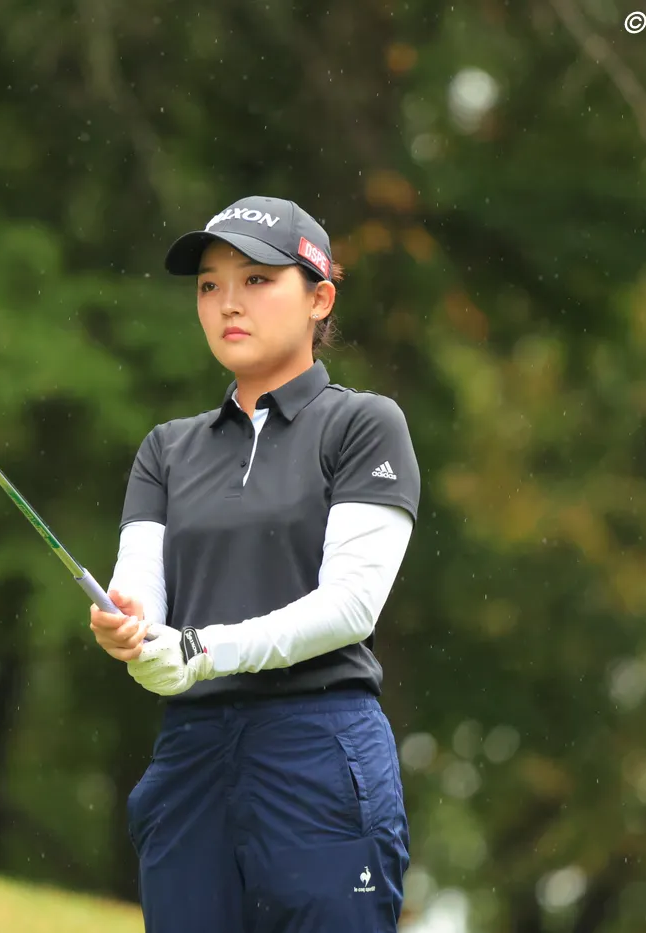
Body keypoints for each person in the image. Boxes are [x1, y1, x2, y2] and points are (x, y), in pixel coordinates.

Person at [89, 196, 421, 932]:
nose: (227, 303)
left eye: (257, 280)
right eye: (209, 285)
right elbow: (141, 591)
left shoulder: (363, 425)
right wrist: (132, 631)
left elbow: (350, 606)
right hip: (192, 756)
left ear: (319, 299)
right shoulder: (167, 449)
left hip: (318, 748)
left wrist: (202, 650)